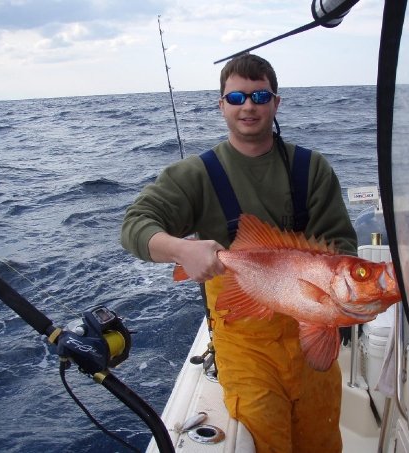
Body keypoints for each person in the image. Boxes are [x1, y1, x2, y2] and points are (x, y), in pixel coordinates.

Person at [120, 53, 357, 452]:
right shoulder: (196, 174)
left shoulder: (312, 169)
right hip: (246, 345)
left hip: (311, 333)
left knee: (322, 439)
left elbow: (342, 248)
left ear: (276, 103)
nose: (248, 106)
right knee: (264, 436)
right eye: (236, 97)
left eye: (260, 96)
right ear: (222, 105)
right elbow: (134, 225)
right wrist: (182, 249)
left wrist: (336, 302)